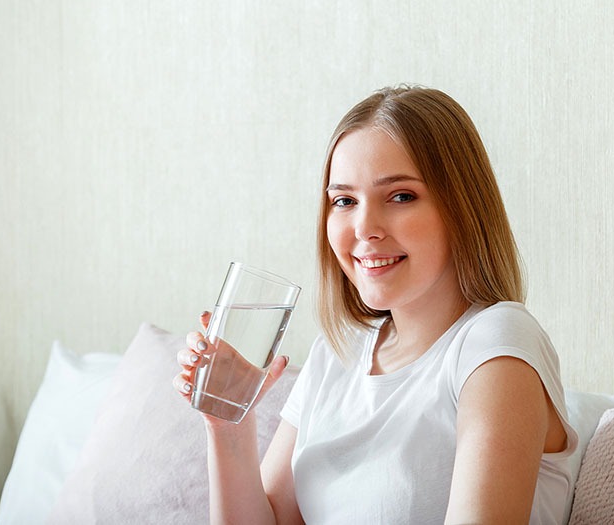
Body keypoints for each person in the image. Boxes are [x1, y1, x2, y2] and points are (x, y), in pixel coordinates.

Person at [174, 85, 578, 524]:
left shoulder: (496, 340)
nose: (364, 227)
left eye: (401, 196)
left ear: (462, 208)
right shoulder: (337, 354)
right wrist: (228, 424)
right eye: (344, 201)